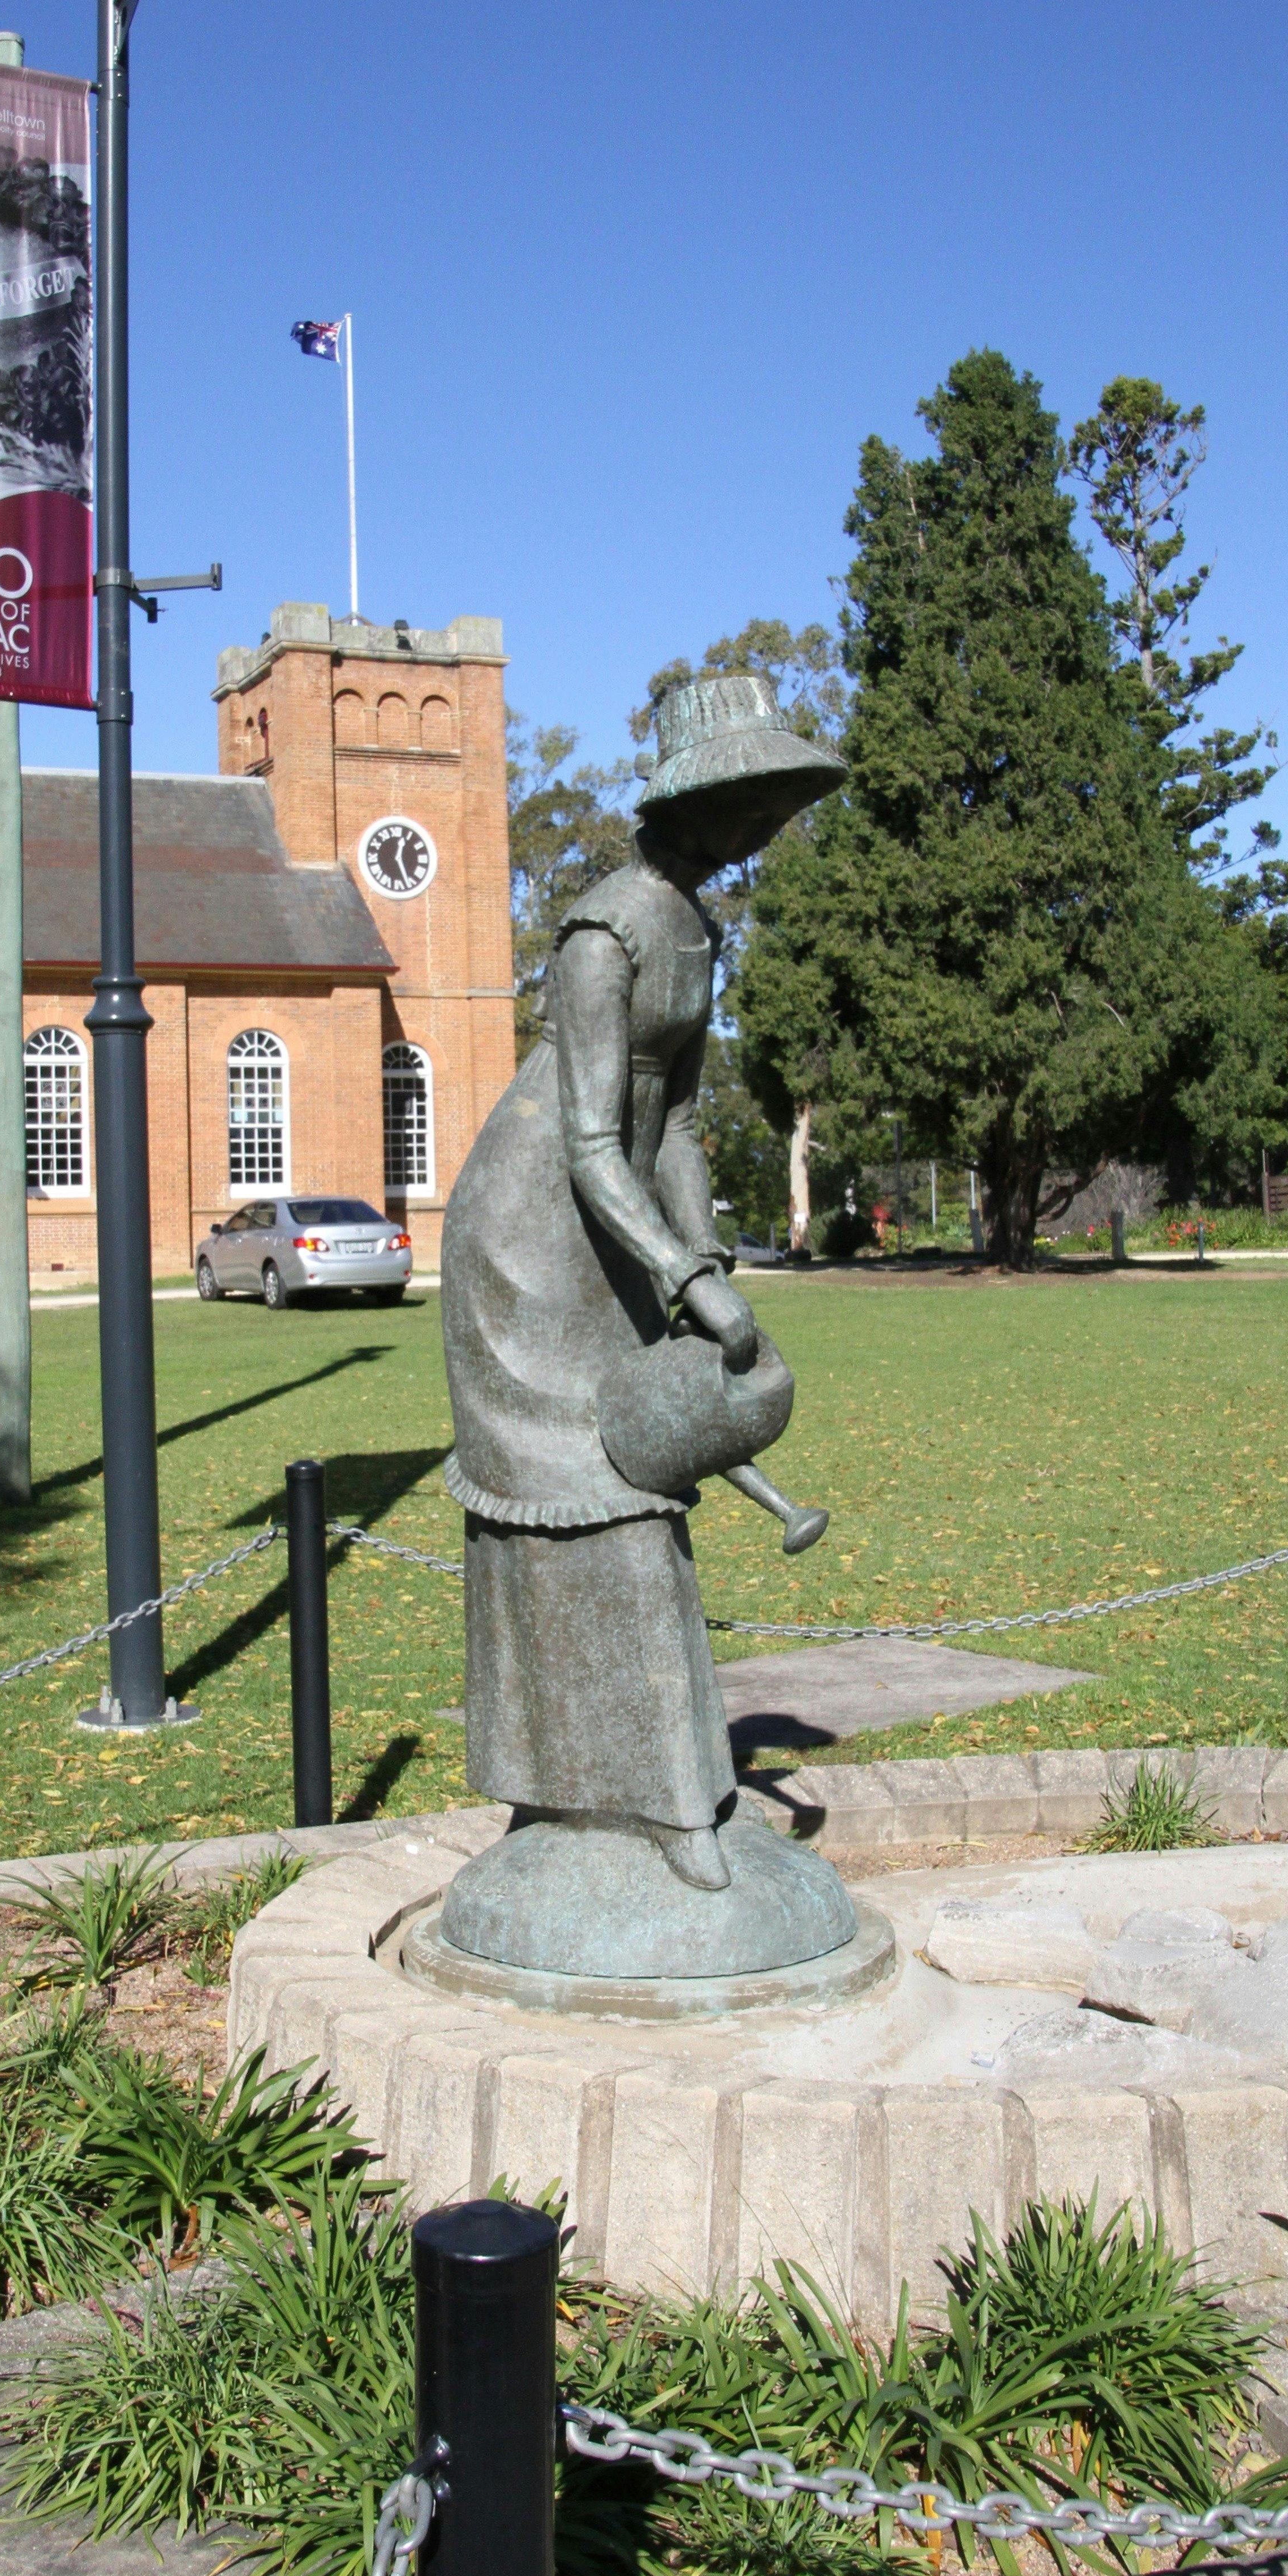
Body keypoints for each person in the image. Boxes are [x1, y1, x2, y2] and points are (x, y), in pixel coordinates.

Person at [441, 670, 843, 1893]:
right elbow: (589, 1138)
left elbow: (671, 1127)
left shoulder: (696, 929)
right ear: (700, 799)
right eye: (756, 804)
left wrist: (704, 1260)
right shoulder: (604, 932)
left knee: (638, 1503)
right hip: (528, 1246)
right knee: (591, 1517)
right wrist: (685, 1279)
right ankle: (613, 1802)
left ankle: (657, 1793)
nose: (769, 828)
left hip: (614, 1235)